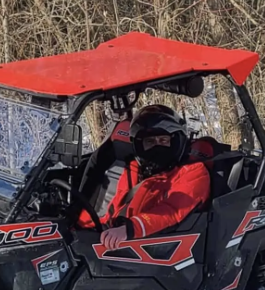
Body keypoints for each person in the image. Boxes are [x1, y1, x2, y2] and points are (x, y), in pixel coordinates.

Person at [79, 105, 211, 250]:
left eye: (163, 140)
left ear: (175, 142)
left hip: (162, 250)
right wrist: (83, 228)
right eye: (150, 142)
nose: (157, 147)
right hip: (126, 245)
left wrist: (130, 228)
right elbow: (114, 209)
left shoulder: (193, 172)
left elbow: (172, 211)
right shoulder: (135, 170)